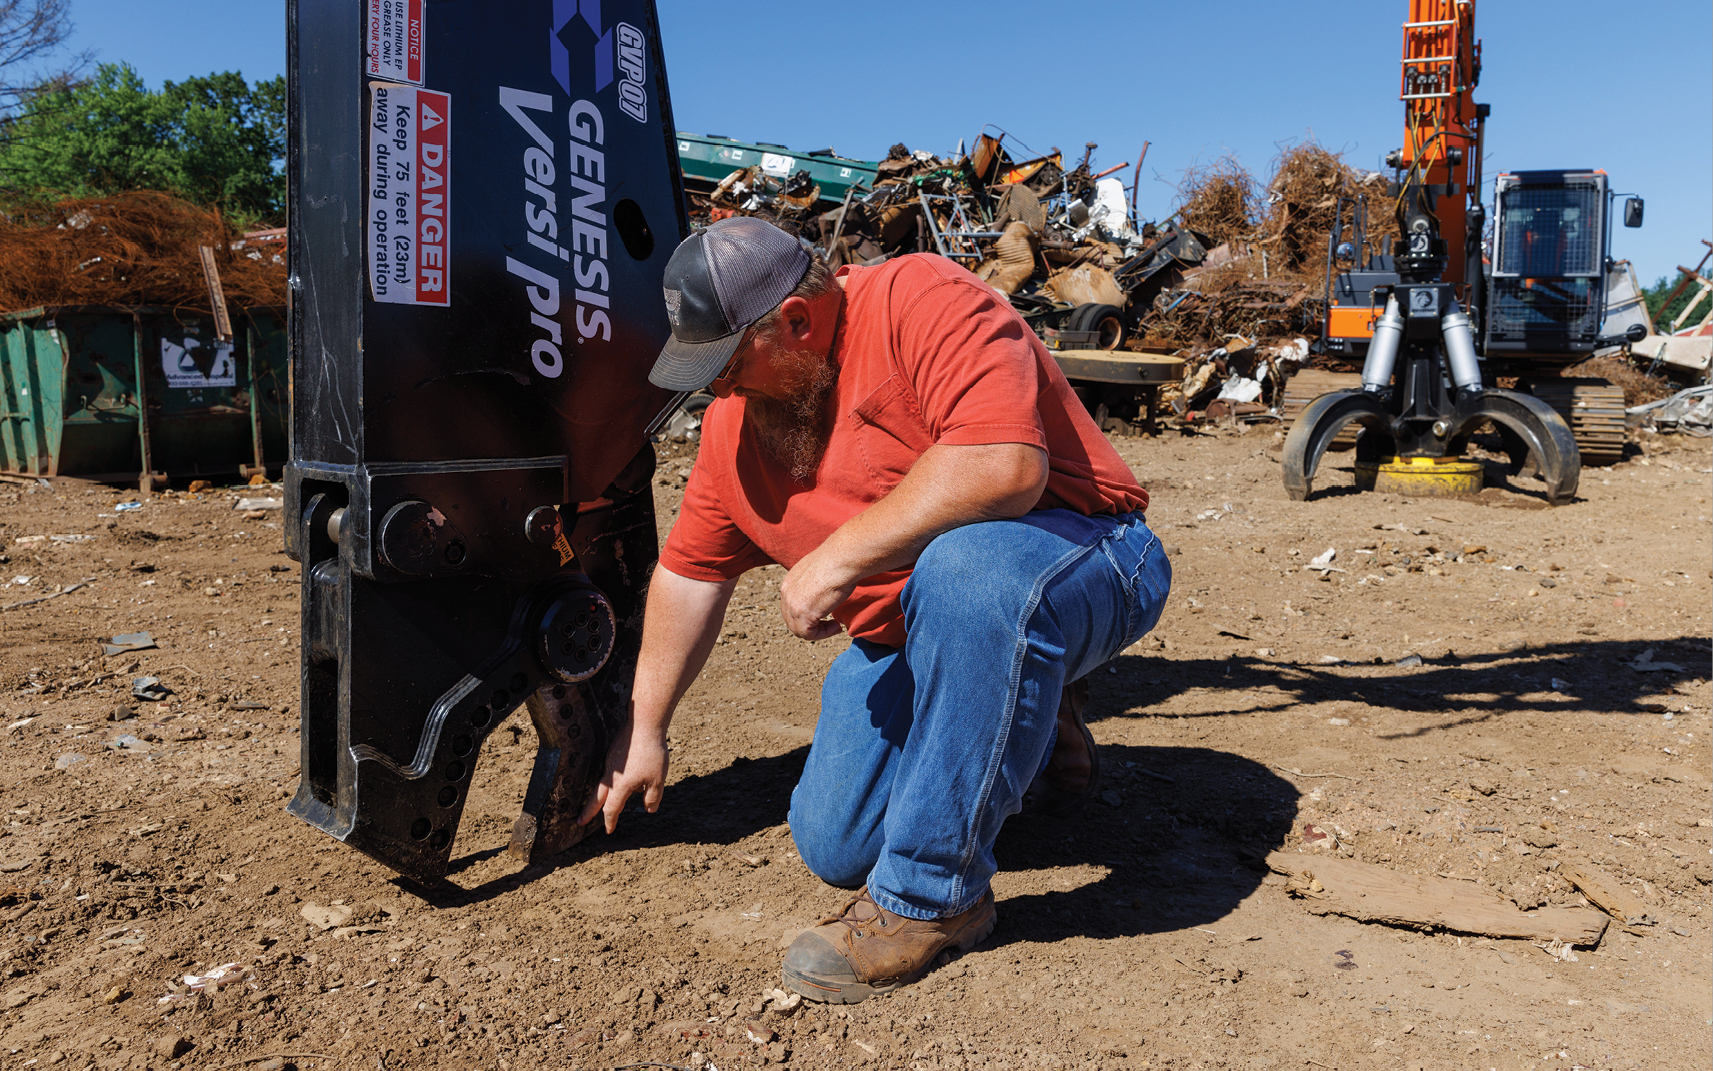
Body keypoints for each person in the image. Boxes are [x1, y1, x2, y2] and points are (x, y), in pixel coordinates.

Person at [578, 216, 1171, 1004]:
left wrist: (839, 555)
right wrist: (644, 727)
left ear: (795, 319)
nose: (713, 386)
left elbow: (1003, 467)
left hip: (1089, 551)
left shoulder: (917, 296)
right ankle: (1028, 705)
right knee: (838, 842)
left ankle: (931, 899)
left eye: (726, 363)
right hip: (923, 623)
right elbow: (688, 575)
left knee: (967, 570)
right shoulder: (734, 427)